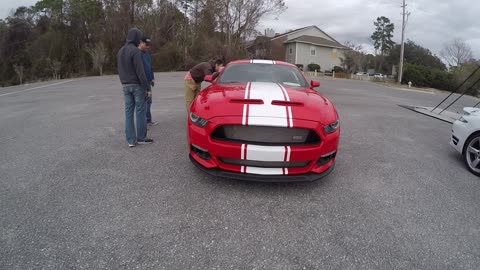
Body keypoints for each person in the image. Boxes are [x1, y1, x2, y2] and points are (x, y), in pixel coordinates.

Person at [117, 28, 154, 147]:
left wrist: (123, 82)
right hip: (137, 86)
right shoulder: (135, 51)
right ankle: (142, 138)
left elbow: (119, 70)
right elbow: (140, 72)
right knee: (140, 112)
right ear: (136, 38)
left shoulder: (120, 51)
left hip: (125, 86)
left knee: (128, 113)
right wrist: (147, 88)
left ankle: (130, 140)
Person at [138, 36, 157, 126]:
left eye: (149, 45)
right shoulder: (137, 53)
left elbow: (150, 66)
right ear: (141, 42)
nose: (148, 47)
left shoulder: (147, 53)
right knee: (143, 102)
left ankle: (148, 120)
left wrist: (152, 78)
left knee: (149, 101)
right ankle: (144, 122)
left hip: (148, 81)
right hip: (142, 82)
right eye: (146, 44)